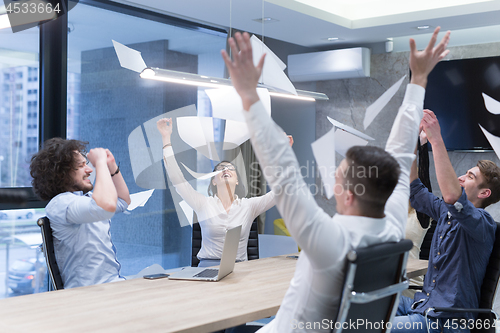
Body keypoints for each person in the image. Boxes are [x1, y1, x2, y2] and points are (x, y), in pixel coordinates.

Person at [220, 27, 450, 332]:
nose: (333, 179)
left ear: (350, 194)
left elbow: (284, 174)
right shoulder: (392, 225)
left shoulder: (329, 240)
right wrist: (418, 80)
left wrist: (249, 95)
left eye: (338, 177)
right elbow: (400, 152)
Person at [392, 108, 500, 332]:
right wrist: (413, 138)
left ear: (484, 193)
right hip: (422, 306)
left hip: (446, 322)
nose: (461, 177)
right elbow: (414, 187)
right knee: (357, 307)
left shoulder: (482, 224)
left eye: (470, 177)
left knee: (369, 326)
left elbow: (452, 196)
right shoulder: (445, 211)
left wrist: (436, 139)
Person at [156, 119, 291, 267]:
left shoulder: (249, 206)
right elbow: (177, 179)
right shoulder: (203, 204)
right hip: (208, 266)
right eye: (220, 168)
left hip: (239, 269)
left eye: (230, 168)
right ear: (214, 181)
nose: (225, 170)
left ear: (237, 180)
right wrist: (165, 138)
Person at [30, 138, 131, 289]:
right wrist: (101, 163)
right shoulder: (61, 204)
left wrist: (112, 167)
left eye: (88, 164)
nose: (90, 170)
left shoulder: (87, 201)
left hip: (112, 286)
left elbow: (123, 201)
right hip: (87, 294)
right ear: (62, 173)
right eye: (81, 166)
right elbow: (105, 205)